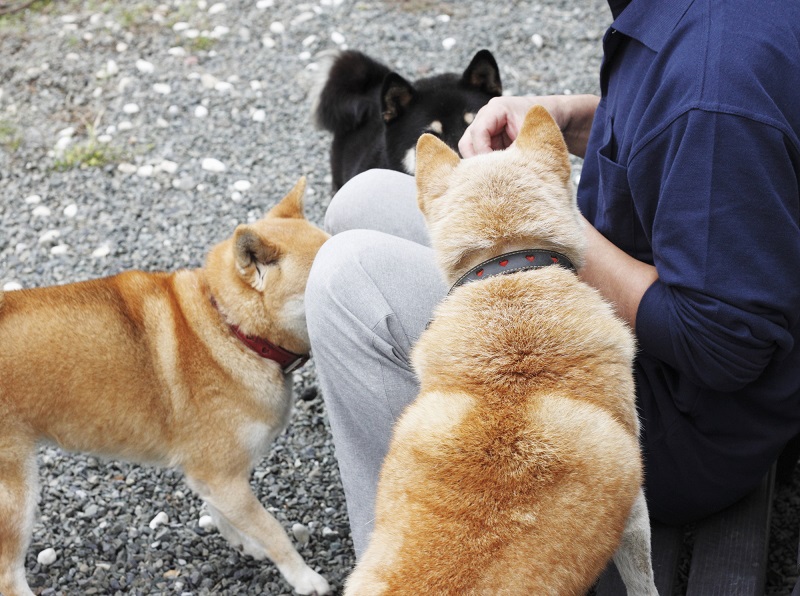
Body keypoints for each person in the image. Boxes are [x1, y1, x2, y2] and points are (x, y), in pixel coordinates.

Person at [305, 0, 800, 558]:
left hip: (662, 426)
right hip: (618, 344)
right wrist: (573, 118)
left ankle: (423, 568)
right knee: (360, 199)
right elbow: (678, 136)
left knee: (346, 283)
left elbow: (723, 346)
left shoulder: (714, 85)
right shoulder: (695, 24)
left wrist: (541, 225)